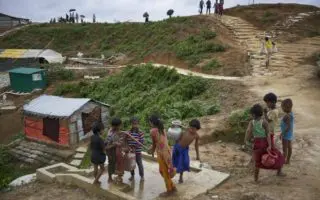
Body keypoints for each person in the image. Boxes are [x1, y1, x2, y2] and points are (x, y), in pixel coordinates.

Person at [244, 104, 284, 182]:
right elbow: (268, 134)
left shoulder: (251, 123)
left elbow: (248, 131)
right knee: (276, 155)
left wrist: (246, 141)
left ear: (253, 114)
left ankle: (256, 179)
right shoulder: (264, 122)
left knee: (257, 162)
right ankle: (279, 171)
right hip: (265, 143)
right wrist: (269, 145)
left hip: (257, 144)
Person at [148, 115, 177, 197]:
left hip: (161, 154)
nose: (149, 123)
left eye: (149, 122)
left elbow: (154, 144)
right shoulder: (162, 129)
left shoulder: (153, 131)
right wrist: (153, 148)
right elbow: (159, 141)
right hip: (167, 152)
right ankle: (172, 187)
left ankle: (169, 190)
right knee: (167, 170)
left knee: (164, 172)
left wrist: (151, 150)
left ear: (152, 122)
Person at [173, 119, 200, 183]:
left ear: (197, 129)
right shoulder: (187, 129)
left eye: (193, 129)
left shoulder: (196, 136)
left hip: (184, 150)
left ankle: (180, 177)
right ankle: (172, 173)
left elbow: (196, 146)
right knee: (175, 162)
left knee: (185, 162)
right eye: (191, 128)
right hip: (177, 147)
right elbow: (179, 126)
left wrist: (197, 155)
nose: (191, 130)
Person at [105, 118, 126, 183]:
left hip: (116, 151)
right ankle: (109, 178)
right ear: (116, 126)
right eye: (120, 125)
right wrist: (116, 144)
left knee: (117, 164)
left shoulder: (115, 131)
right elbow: (107, 146)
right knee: (111, 164)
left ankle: (117, 176)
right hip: (111, 152)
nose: (121, 126)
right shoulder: (111, 134)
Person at [126, 117, 145, 181]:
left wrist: (135, 147)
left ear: (138, 124)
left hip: (137, 151)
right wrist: (130, 148)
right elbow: (127, 141)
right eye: (133, 124)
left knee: (139, 164)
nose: (135, 125)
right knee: (131, 164)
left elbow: (141, 142)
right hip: (131, 151)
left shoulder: (140, 132)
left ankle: (142, 176)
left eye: (136, 124)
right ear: (131, 124)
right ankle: (132, 176)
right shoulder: (129, 132)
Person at [281, 99, 294, 164]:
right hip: (290, 134)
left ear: (285, 107)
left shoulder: (287, 116)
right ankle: (288, 160)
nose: (282, 108)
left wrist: (282, 133)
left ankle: (283, 161)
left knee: (284, 148)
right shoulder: (291, 113)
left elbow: (288, 127)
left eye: (282, 107)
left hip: (286, 134)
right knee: (289, 147)